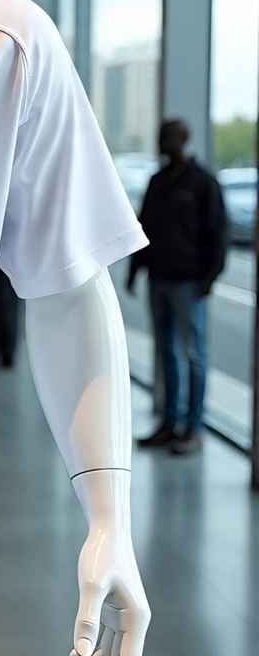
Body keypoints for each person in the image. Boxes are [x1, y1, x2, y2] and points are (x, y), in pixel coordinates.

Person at [127, 118, 228, 455]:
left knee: (193, 354)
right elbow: (144, 226)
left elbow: (218, 233)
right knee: (166, 352)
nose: (161, 142)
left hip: (189, 283)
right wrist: (135, 271)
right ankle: (170, 424)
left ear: (182, 140)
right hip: (159, 279)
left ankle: (193, 429)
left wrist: (209, 279)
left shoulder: (203, 183)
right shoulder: (158, 181)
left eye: (166, 137)